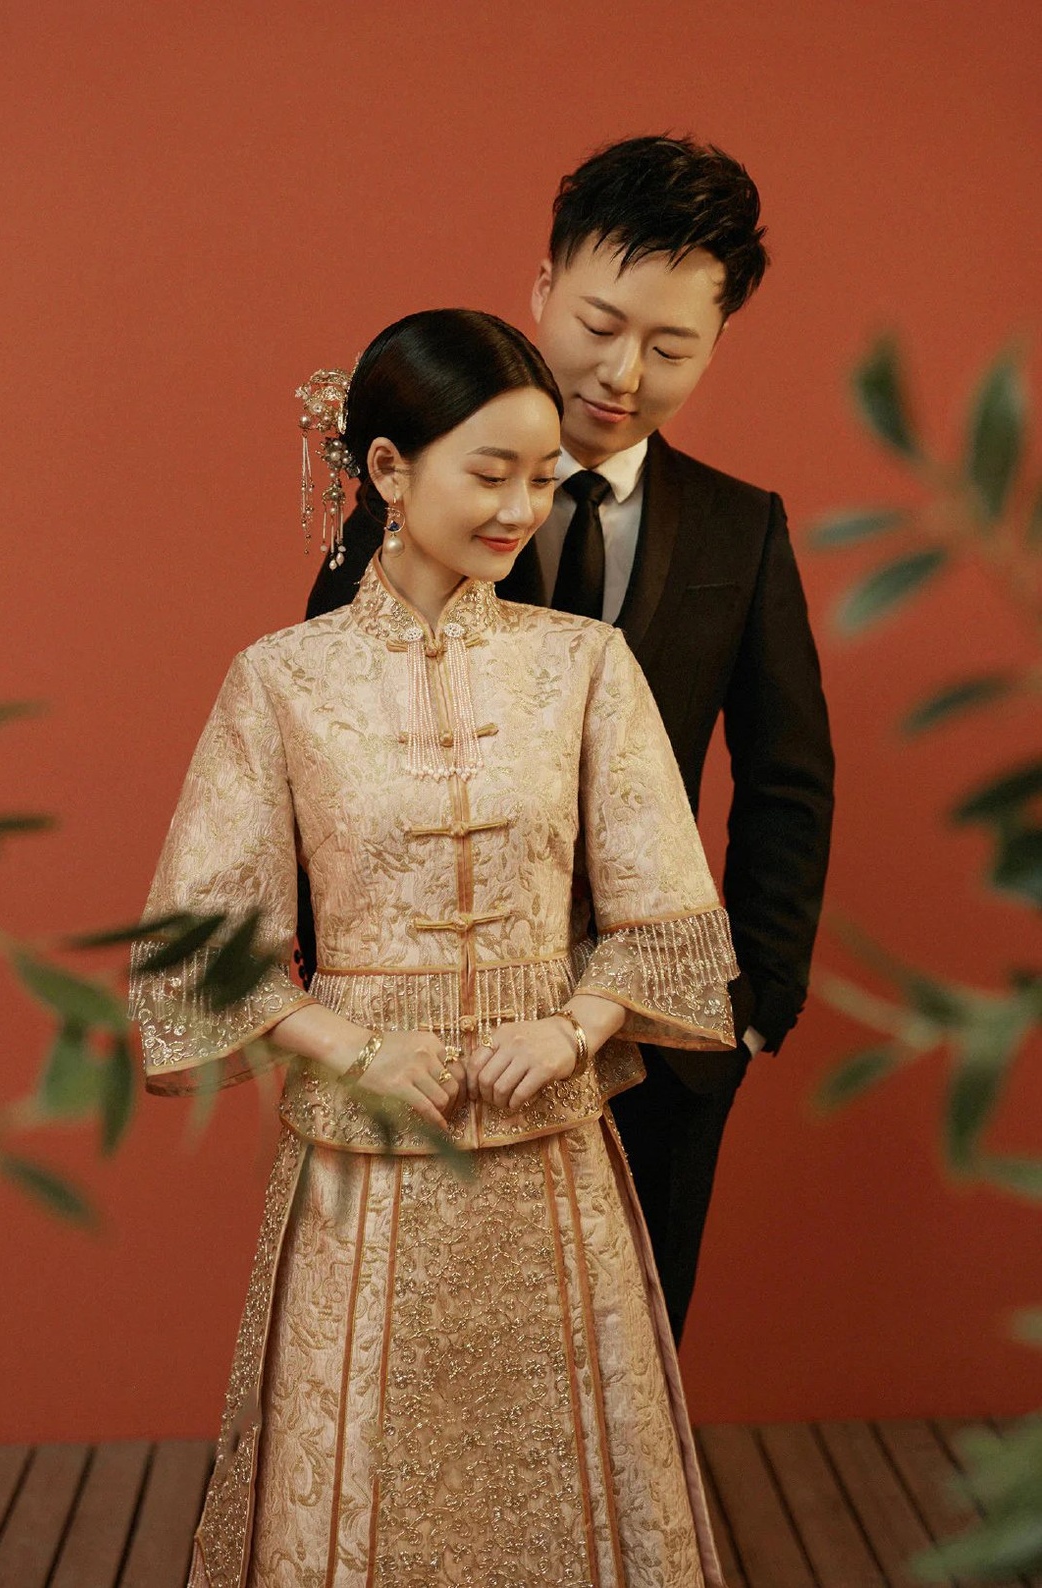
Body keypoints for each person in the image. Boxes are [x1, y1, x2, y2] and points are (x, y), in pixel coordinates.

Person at [133, 309, 740, 1586]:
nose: (522, 508)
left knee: (570, 1483)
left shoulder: (585, 667)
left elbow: (668, 915)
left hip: (548, 1146)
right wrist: (348, 1046)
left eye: (541, 476)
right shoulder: (282, 680)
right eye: (490, 473)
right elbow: (199, 947)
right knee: (360, 1477)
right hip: (367, 1156)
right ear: (390, 471)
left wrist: (573, 1026)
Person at [303, 136, 836, 1341]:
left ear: (717, 341)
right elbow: (321, 746)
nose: (622, 372)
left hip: (660, 1029)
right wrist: (344, 1003)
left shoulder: (740, 529)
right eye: (599, 324)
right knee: (434, 1365)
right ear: (542, 287)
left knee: (637, 1350)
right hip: (439, 1032)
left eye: (671, 346)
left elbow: (787, 779)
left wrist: (750, 1005)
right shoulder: (408, 497)